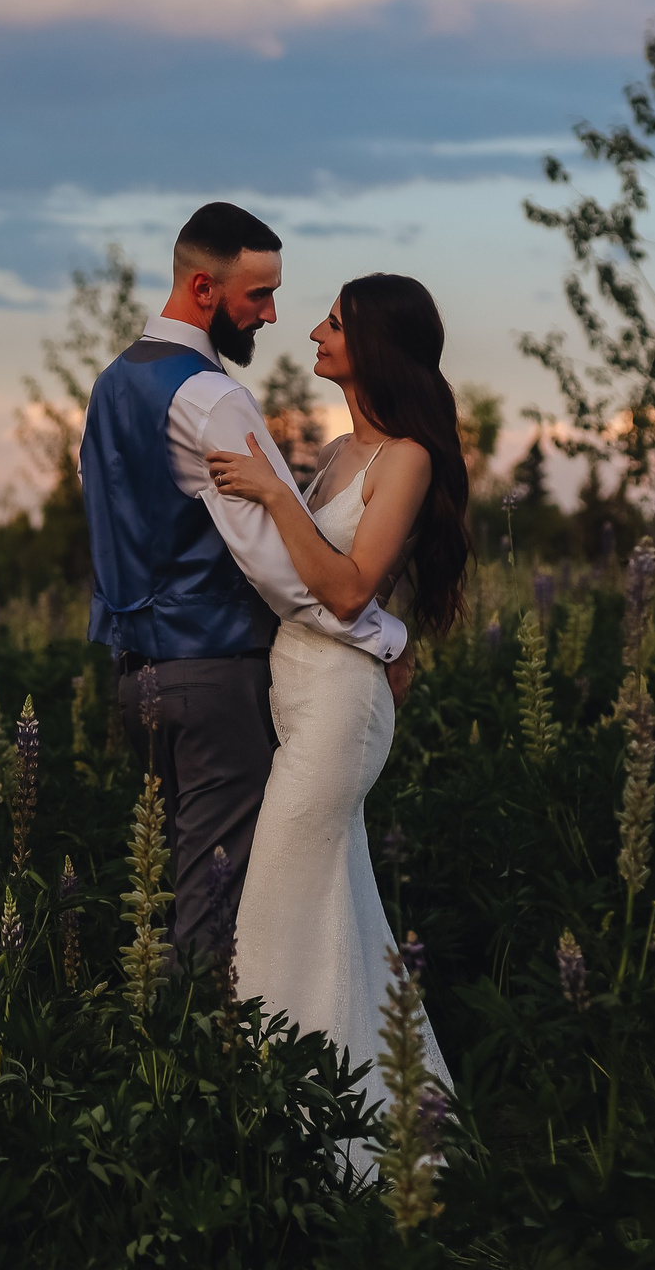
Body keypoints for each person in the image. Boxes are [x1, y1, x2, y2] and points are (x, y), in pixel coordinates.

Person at [80, 204, 409, 964]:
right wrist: (383, 636)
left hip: (136, 681)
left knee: (172, 887)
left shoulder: (110, 386)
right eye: (256, 295)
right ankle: (204, 1076)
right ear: (203, 287)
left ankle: (170, 1065)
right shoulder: (212, 398)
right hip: (215, 676)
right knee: (218, 912)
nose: (269, 314)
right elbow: (280, 571)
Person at [206, 272, 466, 1118]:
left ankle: (297, 1122)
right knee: (336, 914)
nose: (314, 332)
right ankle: (391, 1124)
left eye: (334, 323)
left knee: (276, 904)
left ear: (374, 345)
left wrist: (278, 493)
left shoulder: (409, 460)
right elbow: (310, 585)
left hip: (341, 713)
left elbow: (350, 590)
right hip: (304, 698)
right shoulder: (342, 452)